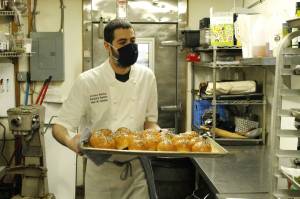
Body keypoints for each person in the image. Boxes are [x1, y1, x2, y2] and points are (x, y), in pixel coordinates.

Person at [52, 18, 159, 199]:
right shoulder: (88, 81)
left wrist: (157, 134)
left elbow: (150, 123)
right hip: (101, 171)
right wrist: (72, 143)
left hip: (137, 169)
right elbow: (59, 127)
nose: (130, 47)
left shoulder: (147, 77)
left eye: (132, 41)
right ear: (107, 46)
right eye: (122, 42)